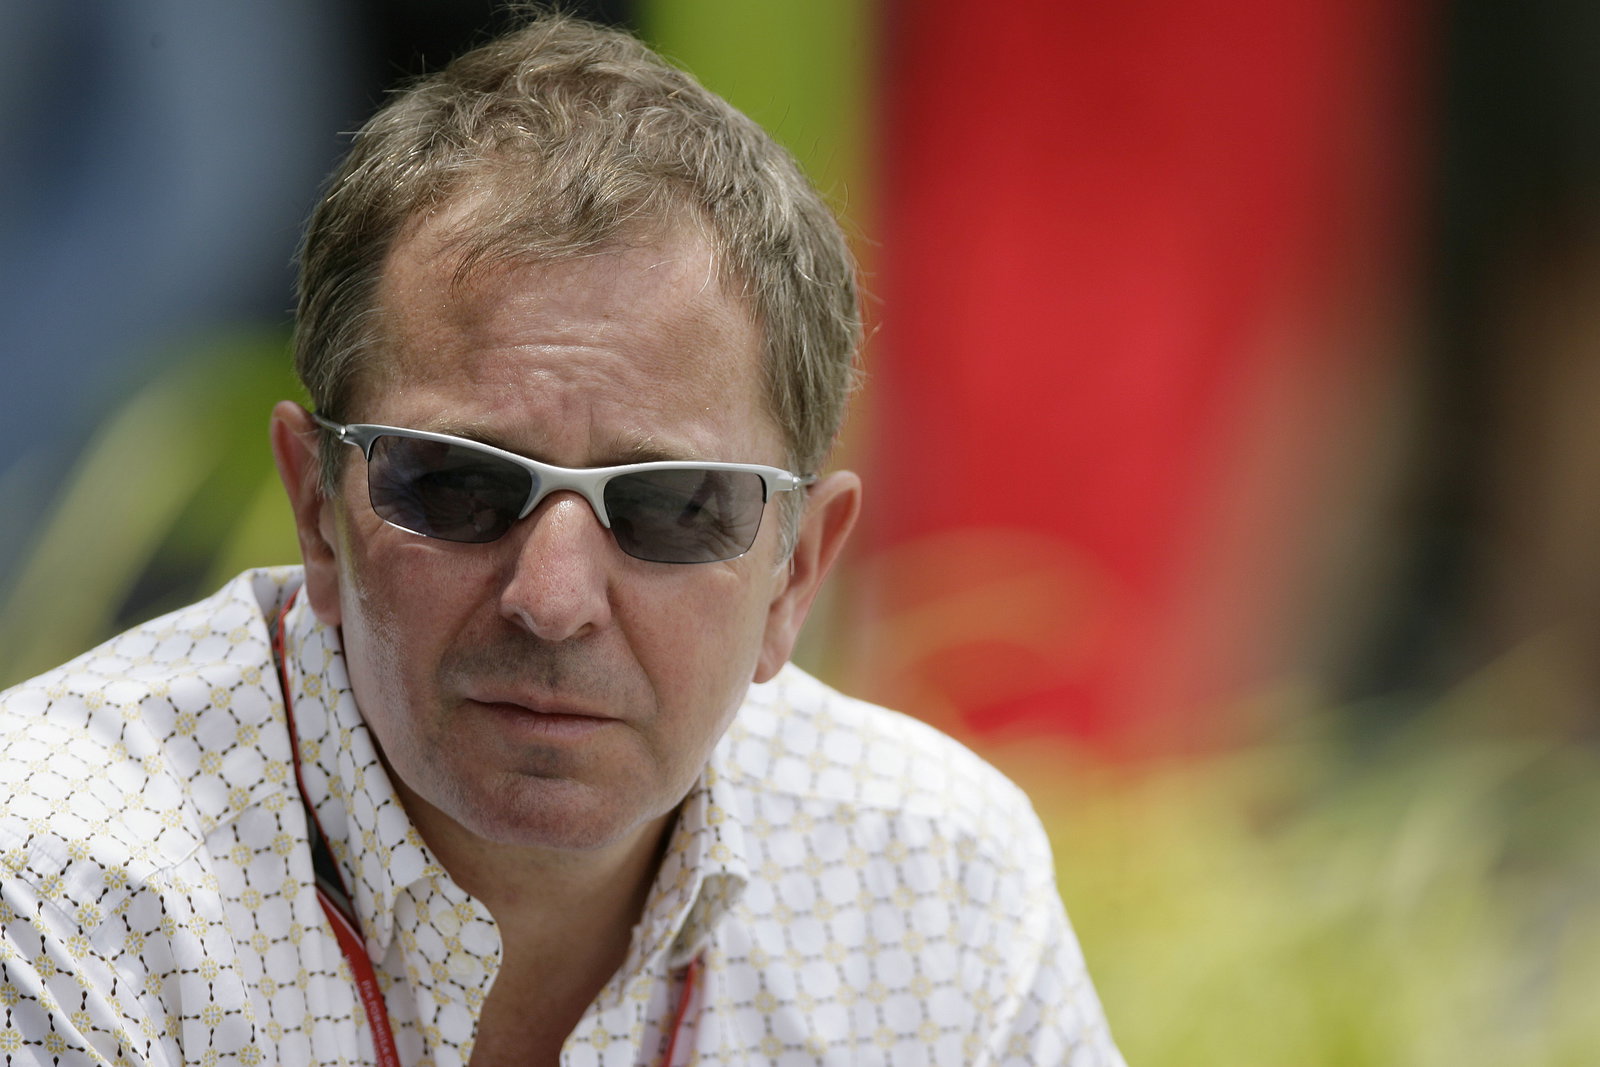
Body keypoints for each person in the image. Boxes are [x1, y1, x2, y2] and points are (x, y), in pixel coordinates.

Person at [0, 14, 1124, 1066]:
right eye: (456, 484)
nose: (552, 595)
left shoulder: (938, 884)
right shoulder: (64, 882)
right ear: (320, 511)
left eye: (672, 505)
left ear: (797, 569)